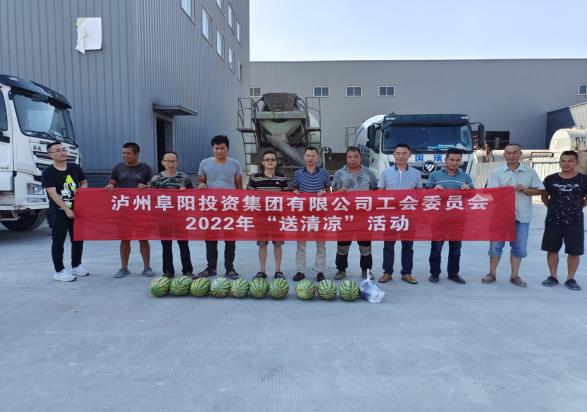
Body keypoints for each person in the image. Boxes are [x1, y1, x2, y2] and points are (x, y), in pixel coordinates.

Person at [482, 143, 544, 287]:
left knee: (519, 248)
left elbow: (540, 190)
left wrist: (525, 190)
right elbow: (491, 193)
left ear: (520, 154)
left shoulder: (530, 172)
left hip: (522, 216)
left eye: (515, 152)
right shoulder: (496, 173)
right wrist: (504, 191)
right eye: (508, 153)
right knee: (495, 246)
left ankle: (514, 276)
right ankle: (492, 273)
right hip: (500, 217)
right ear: (504, 155)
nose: (511, 155)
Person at [106, 142, 155, 278]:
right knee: (124, 239)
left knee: (143, 238)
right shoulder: (118, 168)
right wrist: (110, 185)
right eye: (123, 153)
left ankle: (147, 267)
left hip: (141, 209)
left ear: (137, 154)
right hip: (124, 210)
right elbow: (112, 181)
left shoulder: (146, 168)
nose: (125, 155)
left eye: (128, 153)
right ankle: (124, 268)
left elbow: (152, 185)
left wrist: (145, 186)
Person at [42, 142, 89, 282]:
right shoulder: (48, 172)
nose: (63, 152)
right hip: (59, 212)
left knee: (77, 238)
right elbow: (53, 193)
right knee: (58, 241)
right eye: (58, 150)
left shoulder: (75, 167)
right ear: (50, 155)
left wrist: (81, 194)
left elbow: (84, 182)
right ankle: (59, 271)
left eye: (64, 149)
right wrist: (67, 209)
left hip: (77, 211)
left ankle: (76, 265)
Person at [197, 135, 243, 279]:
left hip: (229, 207)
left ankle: (230, 268)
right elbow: (201, 182)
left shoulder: (235, 164)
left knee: (230, 239)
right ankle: (211, 268)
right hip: (210, 207)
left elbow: (239, 186)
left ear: (227, 148)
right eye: (216, 148)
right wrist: (201, 185)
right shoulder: (204, 163)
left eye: (222, 148)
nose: (219, 151)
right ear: (212, 148)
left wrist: (240, 206)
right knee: (210, 239)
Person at [540, 151, 587, 291]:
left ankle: (570, 278)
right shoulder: (550, 179)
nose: (566, 163)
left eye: (570, 161)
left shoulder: (583, 180)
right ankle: (552, 276)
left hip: (575, 222)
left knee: (574, 251)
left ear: (576, 163)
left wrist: (578, 207)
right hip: (553, 221)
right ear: (559, 162)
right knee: (552, 249)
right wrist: (552, 207)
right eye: (563, 161)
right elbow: (544, 196)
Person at [426, 148, 474, 284]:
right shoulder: (434, 175)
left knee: (456, 249)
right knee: (436, 248)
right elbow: (426, 194)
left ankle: (453, 274)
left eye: (458, 160)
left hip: (458, 218)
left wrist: (468, 191)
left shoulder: (466, 177)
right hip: (438, 217)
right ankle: (434, 273)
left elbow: (473, 196)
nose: (454, 162)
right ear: (445, 160)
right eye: (451, 160)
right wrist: (434, 190)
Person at [378, 143, 422, 285]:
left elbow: (419, 194)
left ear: (409, 155)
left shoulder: (416, 174)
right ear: (394, 155)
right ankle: (387, 272)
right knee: (388, 245)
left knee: (408, 246)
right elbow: (380, 193)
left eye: (404, 153)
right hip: (390, 215)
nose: (401, 156)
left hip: (409, 216)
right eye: (398, 153)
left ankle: (407, 273)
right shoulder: (385, 173)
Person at [332, 146, 378, 280]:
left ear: (360, 158)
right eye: (350, 157)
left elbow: (375, 191)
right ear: (346, 158)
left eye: (356, 157)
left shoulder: (369, 173)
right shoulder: (339, 174)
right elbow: (332, 193)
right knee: (342, 245)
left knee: (365, 246)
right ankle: (341, 270)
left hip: (364, 217)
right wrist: (339, 192)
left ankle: (366, 270)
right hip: (344, 216)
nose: (353, 159)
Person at [290, 146, 332, 282]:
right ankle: (300, 271)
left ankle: (320, 271)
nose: (310, 158)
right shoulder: (298, 174)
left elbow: (330, 191)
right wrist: (295, 192)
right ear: (304, 157)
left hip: (320, 214)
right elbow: (293, 189)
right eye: (308, 155)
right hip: (302, 214)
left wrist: (325, 192)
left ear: (317, 157)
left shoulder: (324, 173)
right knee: (301, 244)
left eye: (313, 156)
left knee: (321, 244)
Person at [150, 151, 194, 279]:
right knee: (166, 245)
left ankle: (187, 271)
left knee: (184, 244)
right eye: (168, 161)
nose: (171, 163)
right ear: (163, 162)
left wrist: (185, 192)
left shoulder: (184, 177)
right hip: (163, 218)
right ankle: (168, 271)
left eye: (173, 161)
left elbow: (192, 195)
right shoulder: (156, 179)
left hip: (181, 217)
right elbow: (151, 198)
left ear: (177, 162)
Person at [247, 150, 289, 279]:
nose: (270, 161)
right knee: (262, 244)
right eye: (267, 159)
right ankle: (262, 270)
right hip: (261, 218)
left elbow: (286, 198)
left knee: (278, 244)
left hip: (277, 218)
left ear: (276, 162)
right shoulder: (254, 178)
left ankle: (278, 270)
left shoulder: (282, 178)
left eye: (272, 159)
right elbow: (249, 197)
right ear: (263, 162)